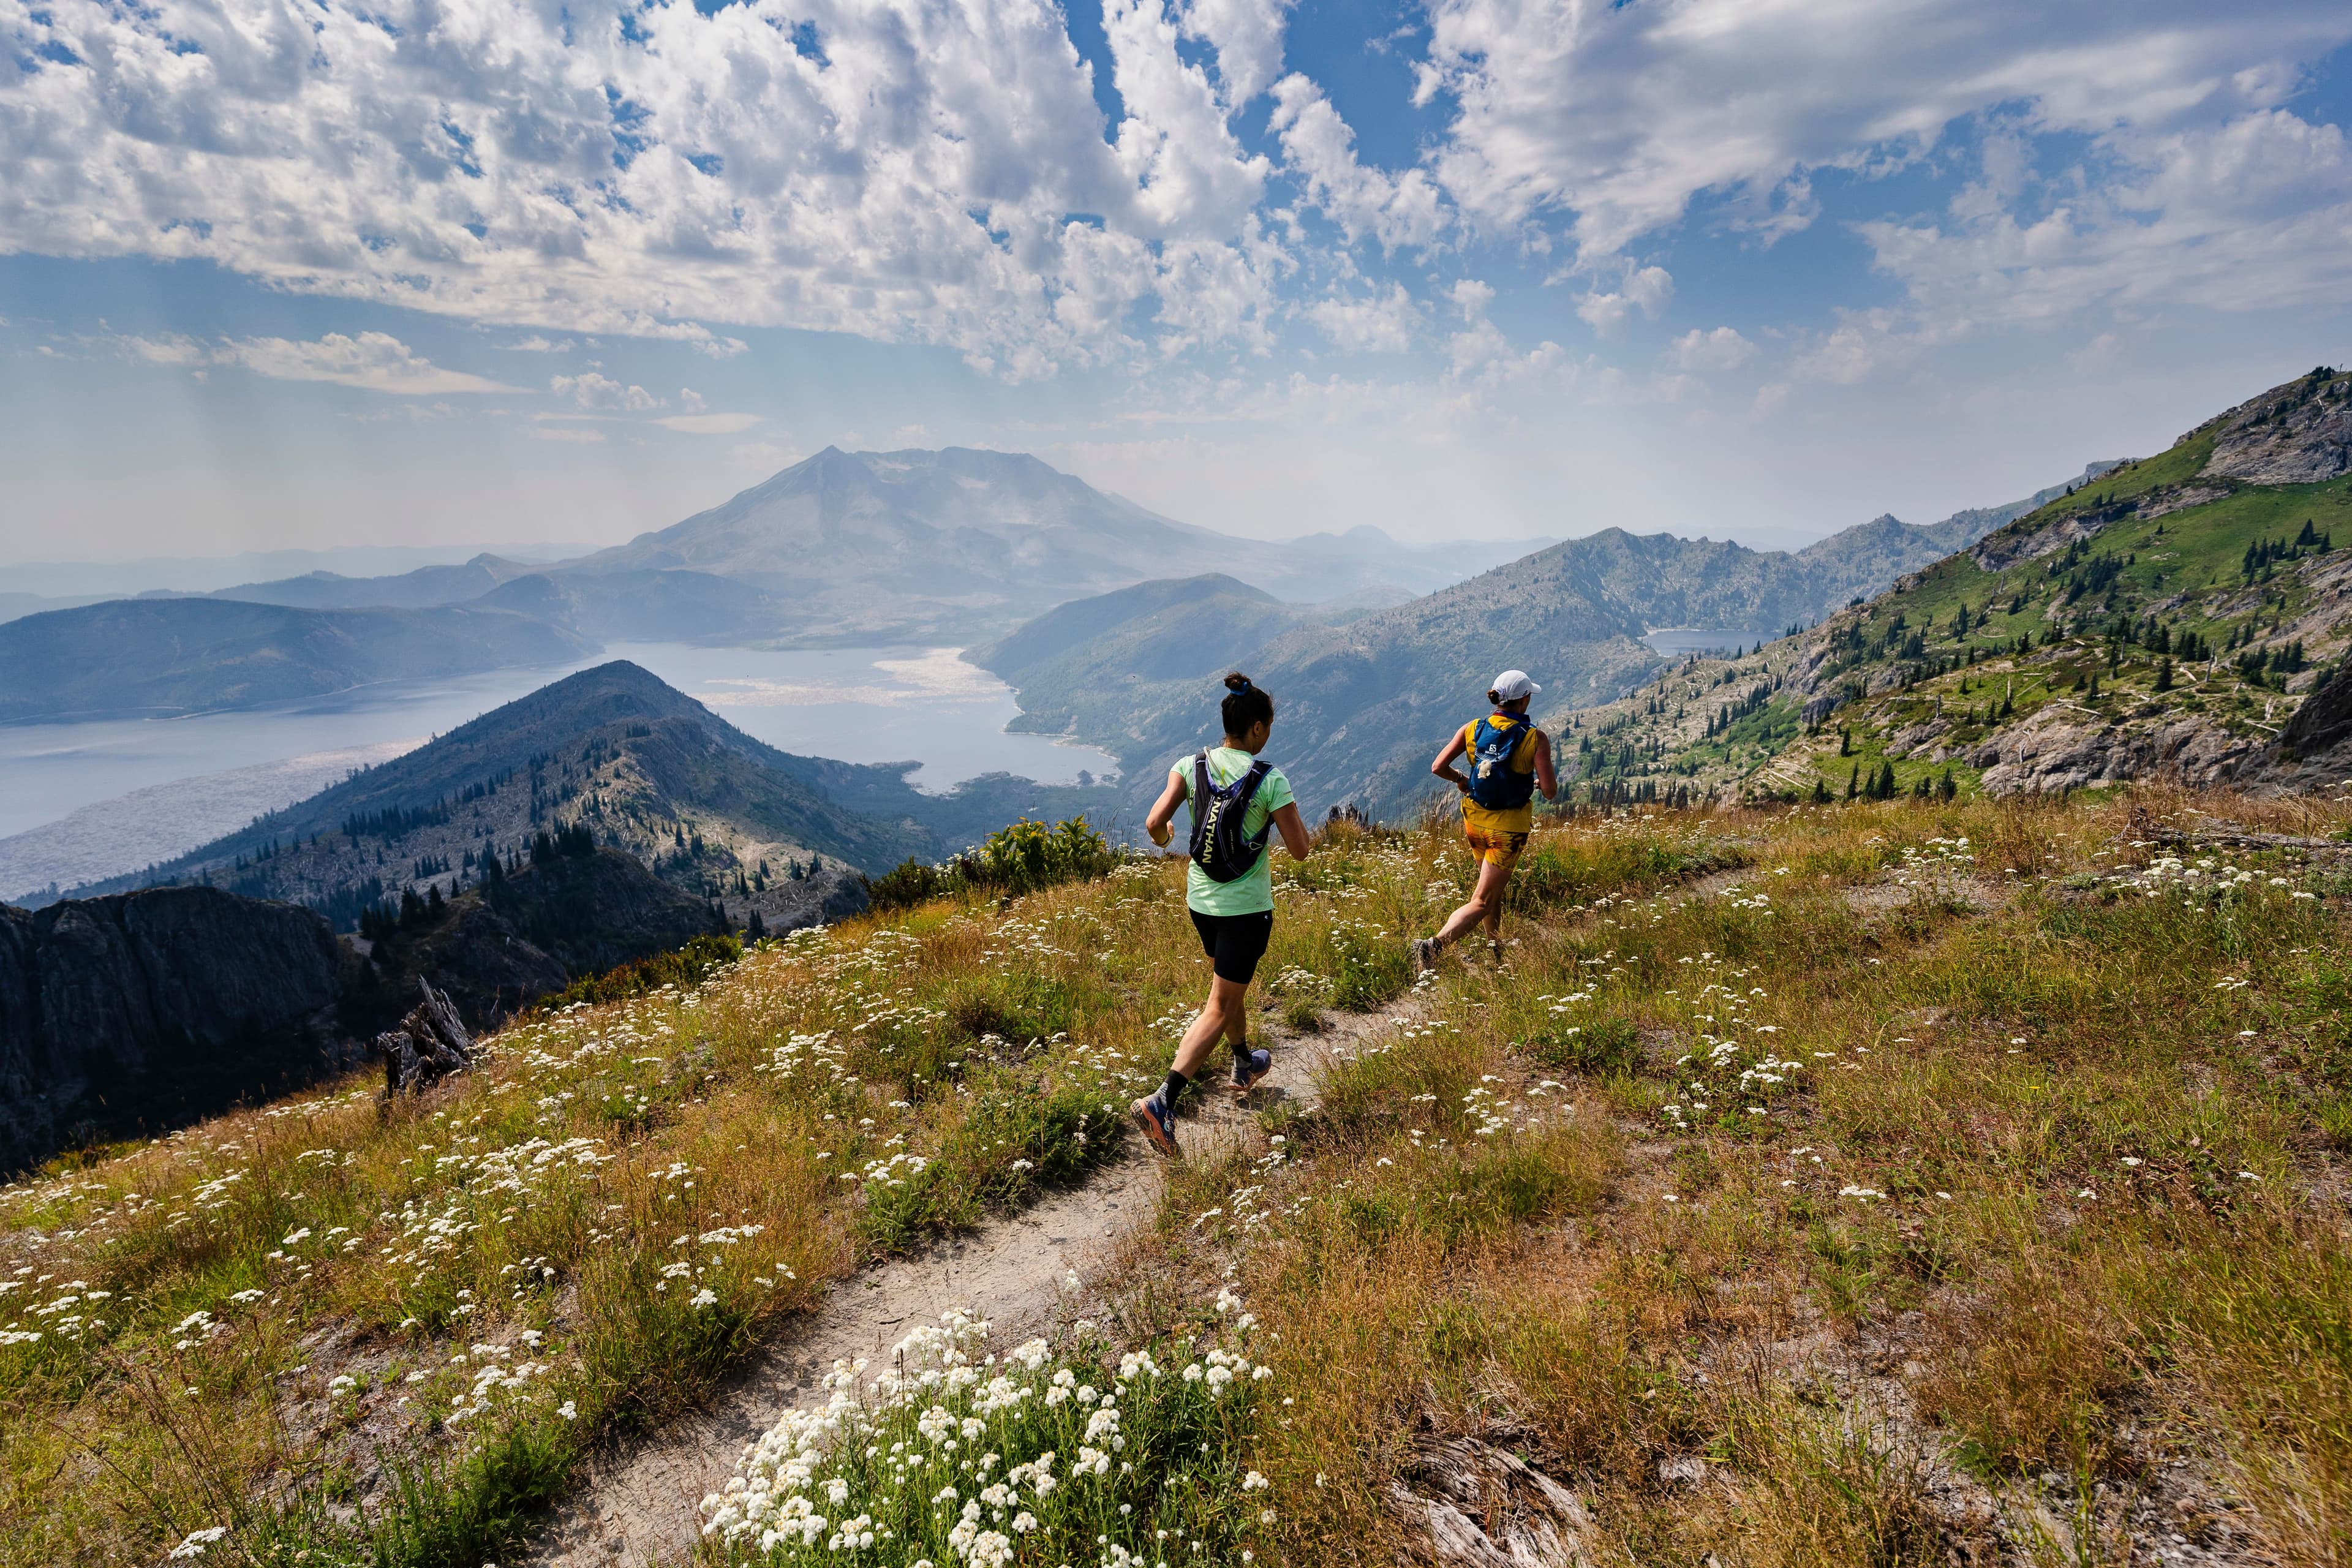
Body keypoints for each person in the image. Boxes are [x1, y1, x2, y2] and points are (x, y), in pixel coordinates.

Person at [1131, 671, 1311, 1157]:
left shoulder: (1189, 766)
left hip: (1200, 902)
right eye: (1267, 727)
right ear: (1256, 729)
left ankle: (1243, 1060)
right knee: (1219, 1003)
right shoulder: (1269, 779)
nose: (1268, 734)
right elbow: (1300, 851)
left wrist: (1168, 839)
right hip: (1245, 909)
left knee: (1228, 986)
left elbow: (1155, 824)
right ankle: (1163, 1101)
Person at [1412, 669, 1558, 970]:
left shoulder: (1473, 728)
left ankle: (1495, 945)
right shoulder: (1534, 738)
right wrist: (1532, 782)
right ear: (1525, 699)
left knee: (1492, 890)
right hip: (1507, 829)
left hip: (1474, 821)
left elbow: (1438, 766)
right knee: (1482, 899)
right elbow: (1550, 791)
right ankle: (1433, 947)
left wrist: (1461, 779)